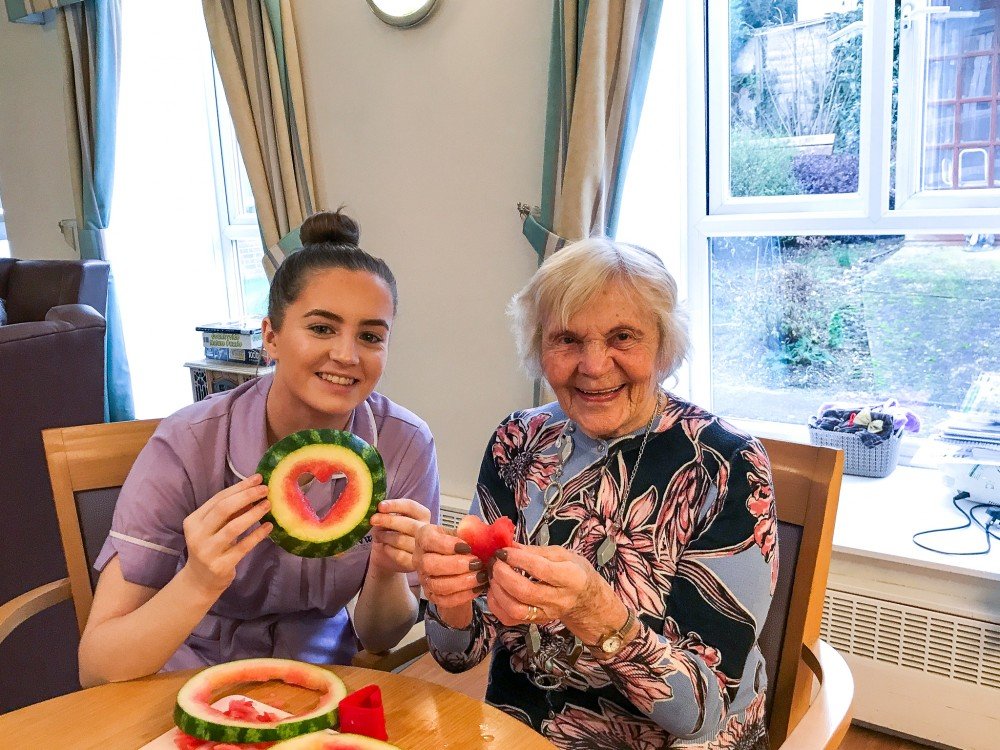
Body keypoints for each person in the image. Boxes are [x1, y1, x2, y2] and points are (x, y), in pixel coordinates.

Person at [414, 238, 777, 749]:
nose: (594, 364)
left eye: (622, 336)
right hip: (523, 731)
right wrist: (450, 600)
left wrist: (597, 613)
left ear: (664, 344)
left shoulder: (726, 465)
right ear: (539, 349)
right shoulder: (518, 442)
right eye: (566, 340)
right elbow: (458, 655)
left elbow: (703, 714)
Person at [79, 209, 439, 686]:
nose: (348, 356)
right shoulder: (187, 442)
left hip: (319, 675)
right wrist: (198, 581)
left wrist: (388, 571)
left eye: (371, 336)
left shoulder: (405, 444)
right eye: (322, 328)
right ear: (270, 335)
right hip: (186, 675)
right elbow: (95, 667)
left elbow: (379, 638)